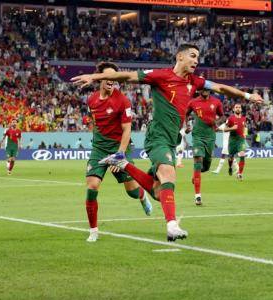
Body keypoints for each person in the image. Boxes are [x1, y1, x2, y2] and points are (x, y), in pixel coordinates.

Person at [72, 44, 263, 241]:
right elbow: (127, 76)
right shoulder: (160, 76)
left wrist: (247, 96)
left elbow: (220, 87)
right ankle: (171, 225)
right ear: (180, 56)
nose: (196, 60)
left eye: (198, 57)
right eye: (192, 56)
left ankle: (124, 165)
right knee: (168, 174)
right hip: (158, 136)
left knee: (157, 191)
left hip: (172, 140)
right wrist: (94, 77)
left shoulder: (195, 82)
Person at [84, 62, 152, 243]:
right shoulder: (91, 100)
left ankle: (143, 196)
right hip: (99, 148)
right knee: (92, 186)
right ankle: (93, 230)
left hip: (120, 147)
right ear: (99, 78)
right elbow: (96, 123)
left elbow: (127, 130)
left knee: (130, 191)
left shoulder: (123, 101)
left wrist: (119, 154)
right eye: (108, 77)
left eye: (114, 77)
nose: (111, 80)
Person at [187, 89, 225, 205]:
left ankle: (196, 175)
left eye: (207, 89)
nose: (205, 90)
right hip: (197, 135)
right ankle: (197, 196)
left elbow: (223, 117)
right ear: (199, 90)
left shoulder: (216, 102)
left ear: (210, 90)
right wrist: (187, 125)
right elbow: (185, 113)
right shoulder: (193, 102)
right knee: (198, 161)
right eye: (203, 88)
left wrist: (216, 122)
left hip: (210, 137)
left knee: (206, 166)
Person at [223, 103, 248, 180]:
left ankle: (240, 174)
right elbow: (225, 129)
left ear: (241, 109)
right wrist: (232, 128)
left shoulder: (244, 118)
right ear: (233, 109)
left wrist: (245, 134)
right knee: (230, 157)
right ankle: (230, 167)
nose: (238, 108)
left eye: (239, 107)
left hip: (241, 140)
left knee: (242, 155)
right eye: (236, 107)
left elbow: (245, 127)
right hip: (232, 140)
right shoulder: (230, 118)